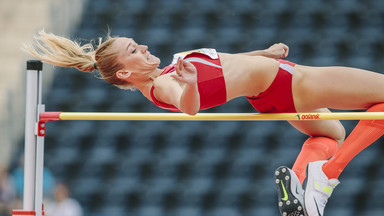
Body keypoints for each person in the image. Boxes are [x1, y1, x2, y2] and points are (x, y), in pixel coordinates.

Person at [22, 30, 384, 216]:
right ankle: (325, 178)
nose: (143, 46)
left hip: (270, 94)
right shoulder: (164, 83)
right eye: (134, 50)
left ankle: (305, 188)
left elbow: (225, 64)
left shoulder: (168, 70)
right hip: (292, 83)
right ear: (125, 72)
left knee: (333, 133)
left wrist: (262, 53)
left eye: (136, 43)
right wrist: (191, 85)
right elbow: (188, 107)